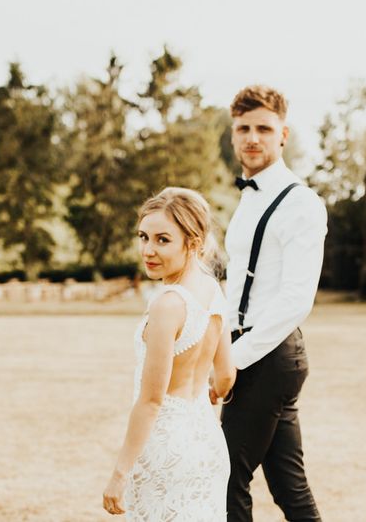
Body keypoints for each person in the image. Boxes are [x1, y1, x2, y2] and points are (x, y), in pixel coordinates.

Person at [214, 85, 327, 522]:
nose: (252, 138)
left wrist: (233, 360)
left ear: (283, 134)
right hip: (251, 349)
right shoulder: (249, 198)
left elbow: (297, 299)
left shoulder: (300, 203)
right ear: (233, 135)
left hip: (269, 355)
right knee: (288, 487)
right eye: (243, 128)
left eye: (264, 128)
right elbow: (239, 287)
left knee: (225, 477)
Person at [103, 187, 236, 520]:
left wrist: (120, 473)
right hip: (207, 442)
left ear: (192, 243)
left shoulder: (168, 304)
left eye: (163, 240)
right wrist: (205, 393)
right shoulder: (214, 291)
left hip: (166, 449)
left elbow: (151, 400)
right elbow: (226, 377)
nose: (148, 250)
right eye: (143, 237)